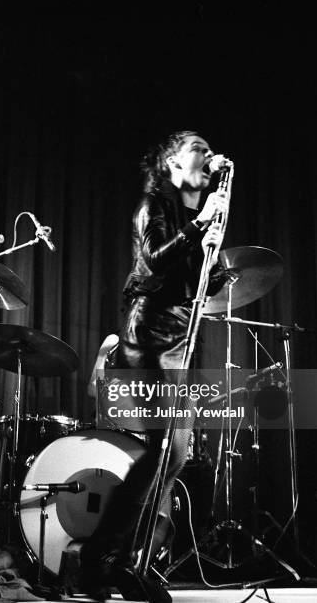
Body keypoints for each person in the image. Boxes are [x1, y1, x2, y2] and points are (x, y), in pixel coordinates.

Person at [80, 130, 231, 601]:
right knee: (165, 448)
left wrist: (216, 260)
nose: (208, 158)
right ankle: (108, 561)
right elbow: (151, 265)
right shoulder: (154, 206)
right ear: (170, 163)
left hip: (180, 338)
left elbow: (193, 281)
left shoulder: (192, 215)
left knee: (174, 453)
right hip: (151, 338)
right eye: (198, 150)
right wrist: (198, 225)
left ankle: (113, 559)